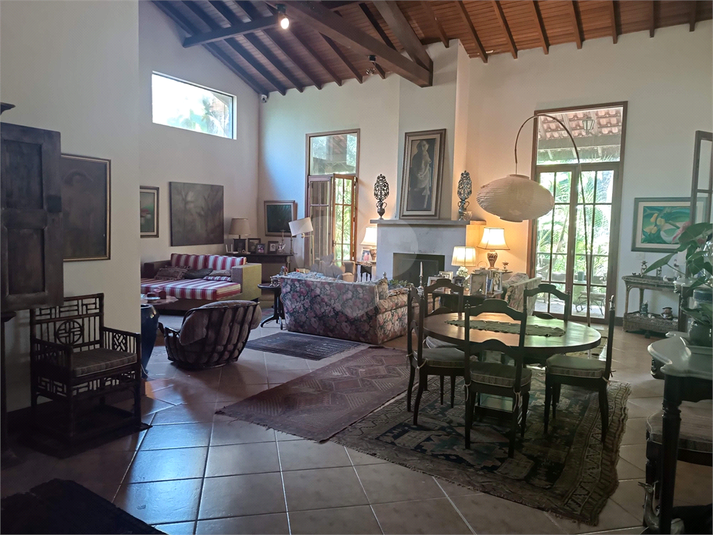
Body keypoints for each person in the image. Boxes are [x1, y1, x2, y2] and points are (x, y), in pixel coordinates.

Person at [407, 140, 433, 211]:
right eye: (420, 146)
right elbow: (414, 166)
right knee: (415, 190)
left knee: (424, 192)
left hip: (425, 176)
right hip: (417, 175)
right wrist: (417, 174)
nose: (422, 148)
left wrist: (423, 173)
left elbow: (427, 165)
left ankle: (423, 206)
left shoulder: (426, 155)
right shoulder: (416, 156)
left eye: (424, 145)